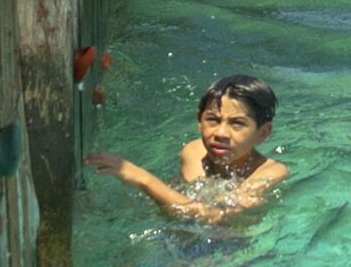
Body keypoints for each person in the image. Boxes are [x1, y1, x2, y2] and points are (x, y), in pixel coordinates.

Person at [86, 73, 288, 216]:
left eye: (237, 123)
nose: (220, 133)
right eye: (213, 120)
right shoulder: (193, 153)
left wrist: (144, 179)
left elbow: (216, 218)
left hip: (228, 249)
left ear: (262, 133)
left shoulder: (270, 173)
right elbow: (182, 204)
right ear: (199, 122)